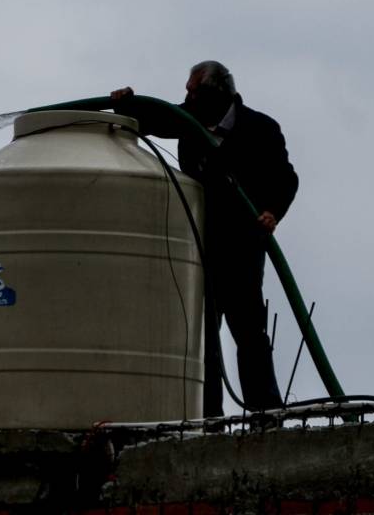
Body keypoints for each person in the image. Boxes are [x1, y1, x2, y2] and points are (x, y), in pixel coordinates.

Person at [110, 61, 298, 417]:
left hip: (243, 245)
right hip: (200, 245)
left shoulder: (259, 129)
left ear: (218, 94)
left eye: (193, 92)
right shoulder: (189, 121)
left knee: (249, 332)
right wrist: (128, 104)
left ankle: (265, 414)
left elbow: (286, 178)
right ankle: (209, 417)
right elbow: (156, 118)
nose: (186, 98)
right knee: (204, 337)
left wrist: (272, 211)